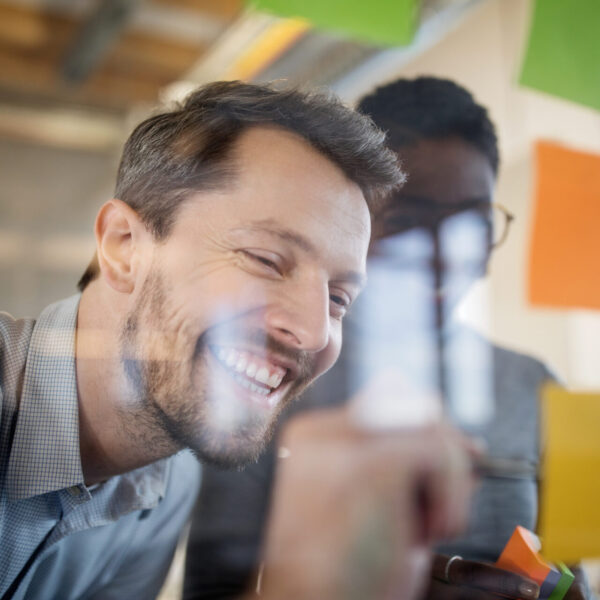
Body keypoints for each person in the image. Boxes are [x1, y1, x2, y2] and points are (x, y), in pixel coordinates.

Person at [0, 80, 478, 600]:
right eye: (266, 260)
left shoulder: (167, 476)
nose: (314, 331)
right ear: (124, 247)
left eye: (339, 298)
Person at [183, 77, 591, 600]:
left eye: (473, 223)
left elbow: (575, 578)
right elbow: (211, 589)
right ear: (353, 226)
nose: (445, 256)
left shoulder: (539, 388)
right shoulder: (270, 376)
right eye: (408, 220)